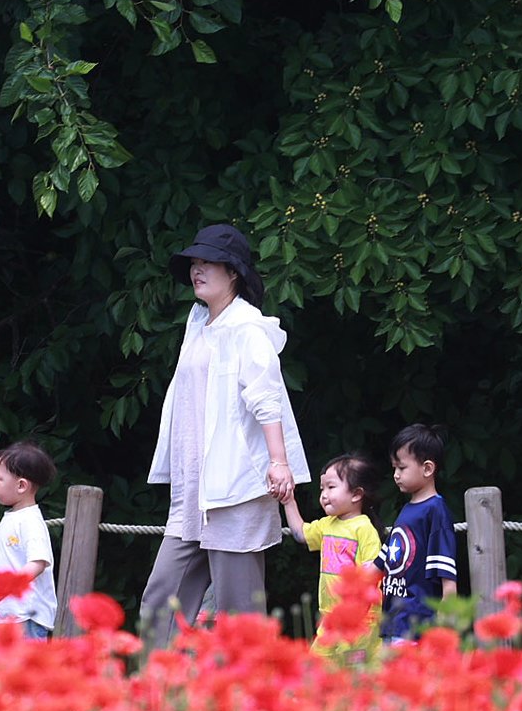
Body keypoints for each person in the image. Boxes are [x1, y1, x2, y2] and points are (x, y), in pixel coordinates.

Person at [139, 223, 309, 648]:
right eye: (193, 264)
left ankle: (246, 703)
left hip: (234, 488)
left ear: (232, 272)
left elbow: (266, 398)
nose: (197, 270)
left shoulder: (248, 327)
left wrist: (279, 462)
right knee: (161, 599)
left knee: (238, 615)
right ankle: (152, 691)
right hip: (194, 493)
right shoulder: (198, 323)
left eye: (207, 263)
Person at [282, 452, 383, 652]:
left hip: (359, 623)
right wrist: (288, 502)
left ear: (356, 494)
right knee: (317, 670)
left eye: (331, 487)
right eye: (322, 489)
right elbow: (302, 534)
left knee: (354, 677)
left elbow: (372, 573)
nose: (324, 495)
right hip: (329, 618)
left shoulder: (364, 528)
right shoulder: (327, 524)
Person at [0, 441, 57, 639]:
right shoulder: (13, 517)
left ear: (21, 485)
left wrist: (11, 585)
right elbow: (9, 561)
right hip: (8, 615)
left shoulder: (31, 521)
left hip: (27, 616)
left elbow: (37, 563)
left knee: (26, 668)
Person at [373, 423, 457, 642]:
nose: (395, 475)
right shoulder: (408, 509)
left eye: (401, 468)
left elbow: (446, 571)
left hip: (417, 622)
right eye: (394, 468)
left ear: (428, 469)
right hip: (393, 619)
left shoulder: (435, 510)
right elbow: (386, 556)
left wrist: (446, 613)